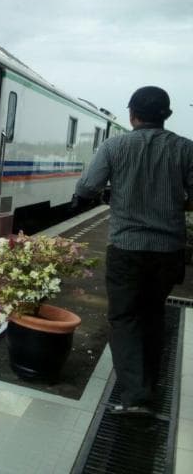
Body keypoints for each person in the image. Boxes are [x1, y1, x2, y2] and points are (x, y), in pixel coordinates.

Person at [74, 86, 193, 416]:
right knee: (153, 314)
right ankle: (148, 385)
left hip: (127, 248)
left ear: (132, 115)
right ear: (166, 115)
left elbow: (86, 187)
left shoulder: (115, 146)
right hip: (168, 251)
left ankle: (136, 398)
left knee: (125, 318)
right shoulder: (186, 149)